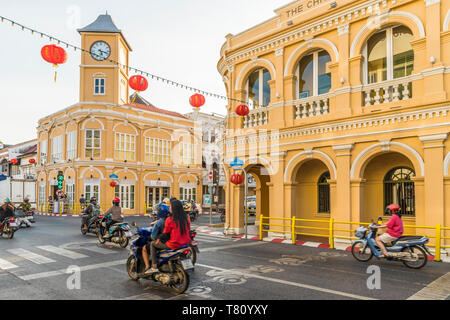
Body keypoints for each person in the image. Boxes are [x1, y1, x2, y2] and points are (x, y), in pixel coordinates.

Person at [145, 198, 191, 275]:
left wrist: (159, 238)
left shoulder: (170, 220)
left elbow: (166, 234)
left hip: (174, 244)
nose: (169, 208)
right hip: (185, 243)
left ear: (174, 209)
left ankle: (154, 267)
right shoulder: (186, 218)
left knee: (153, 244)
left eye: (170, 207)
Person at [141, 203, 170, 271]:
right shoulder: (170, 220)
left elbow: (153, 236)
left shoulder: (159, 222)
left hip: (163, 242)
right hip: (169, 240)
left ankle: (149, 266)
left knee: (145, 248)